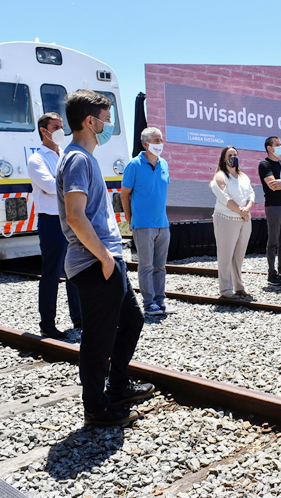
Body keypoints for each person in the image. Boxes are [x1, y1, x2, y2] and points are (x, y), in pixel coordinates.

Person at [56, 90, 153, 426]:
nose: (109, 124)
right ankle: (96, 408)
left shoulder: (83, 157)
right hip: (95, 263)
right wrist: (105, 259)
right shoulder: (78, 159)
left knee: (132, 321)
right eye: (106, 117)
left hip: (105, 260)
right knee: (98, 340)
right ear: (90, 121)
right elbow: (75, 215)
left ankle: (118, 386)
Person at [28, 112, 82, 339]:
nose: (61, 129)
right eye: (56, 126)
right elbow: (50, 186)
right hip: (51, 220)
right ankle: (47, 323)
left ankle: (78, 318)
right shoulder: (37, 159)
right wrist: (72, 184)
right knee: (51, 272)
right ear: (44, 130)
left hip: (70, 218)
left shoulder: (64, 154)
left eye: (62, 126)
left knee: (75, 271)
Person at [121, 127, 174, 316]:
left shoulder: (164, 164)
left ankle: (160, 301)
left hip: (163, 224)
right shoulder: (134, 165)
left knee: (160, 266)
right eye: (156, 140)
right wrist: (130, 218)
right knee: (146, 266)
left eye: (161, 140)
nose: (160, 143)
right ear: (145, 144)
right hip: (142, 224)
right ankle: (148, 303)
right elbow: (124, 194)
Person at [210, 146, 254, 298]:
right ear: (224, 158)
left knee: (239, 256)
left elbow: (251, 194)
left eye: (235, 154)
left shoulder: (244, 177)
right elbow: (225, 198)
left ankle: (239, 287)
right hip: (226, 219)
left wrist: (246, 209)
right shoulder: (220, 176)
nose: (233, 157)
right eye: (230, 155)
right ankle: (226, 289)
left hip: (244, 219)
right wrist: (241, 211)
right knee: (225, 255)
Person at [258, 136, 281, 286]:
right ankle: (272, 273)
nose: (280, 147)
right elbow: (273, 185)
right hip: (273, 207)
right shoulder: (265, 164)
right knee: (273, 241)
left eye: (280, 144)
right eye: (277, 144)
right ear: (269, 148)